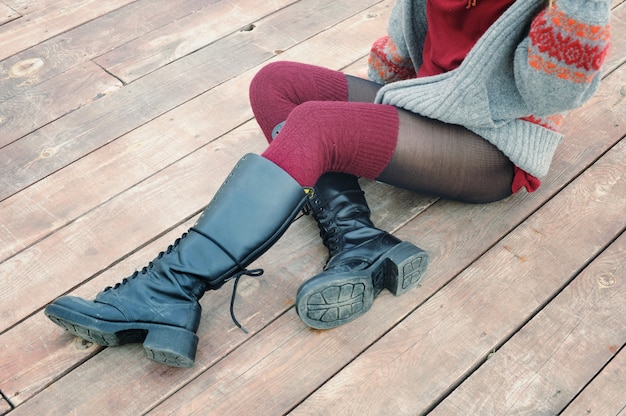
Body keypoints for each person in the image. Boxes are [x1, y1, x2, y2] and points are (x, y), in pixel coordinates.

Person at [45, 0, 611, 367]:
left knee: (315, 125)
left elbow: (550, 96)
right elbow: (406, 44)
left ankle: (170, 290)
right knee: (279, 83)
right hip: (427, 110)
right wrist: (367, 124)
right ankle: (360, 241)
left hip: (494, 145)